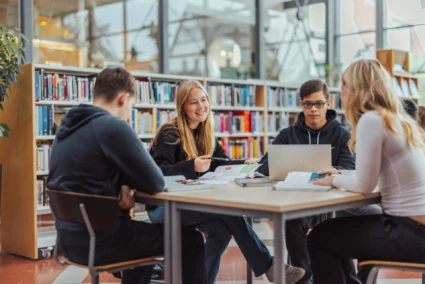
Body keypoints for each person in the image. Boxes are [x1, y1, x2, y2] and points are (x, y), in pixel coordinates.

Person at [46, 68, 206, 284]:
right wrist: (128, 182)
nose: (130, 112)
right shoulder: (112, 126)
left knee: (141, 241)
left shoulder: (67, 127)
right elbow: (155, 182)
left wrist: (123, 182)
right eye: (132, 106)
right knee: (192, 239)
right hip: (103, 242)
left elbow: (94, 169)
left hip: (68, 240)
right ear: (123, 99)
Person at [148, 80, 305, 284]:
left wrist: (245, 163)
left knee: (220, 231)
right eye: (193, 102)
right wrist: (191, 166)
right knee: (228, 211)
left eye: (203, 100)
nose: (201, 106)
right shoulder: (170, 133)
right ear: (182, 107)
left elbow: (221, 163)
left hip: (189, 203)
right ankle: (268, 266)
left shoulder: (206, 133)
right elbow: (157, 172)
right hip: (164, 207)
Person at [309, 59, 425, 284]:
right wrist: (342, 175)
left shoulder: (372, 121)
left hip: (410, 232)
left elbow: (365, 186)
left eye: (343, 86)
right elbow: (378, 178)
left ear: (355, 88)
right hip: (417, 226)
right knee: (331, 232)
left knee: (319, 238)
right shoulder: (397, 120)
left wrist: (333, 180)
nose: (341, 92)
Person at [257, 79, 381, 284]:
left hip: (337, 202)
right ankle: (303, 278)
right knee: (292, 221)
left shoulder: (342, 134)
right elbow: (263, 166)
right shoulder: (287, 135)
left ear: (328, 103)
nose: (313, 109)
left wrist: (337, 172)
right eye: (308, 104)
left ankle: (358, 279)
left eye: (319, 103)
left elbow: (350, 168)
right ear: (301, 104)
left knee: (374, 215)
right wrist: (283, 169)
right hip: (302, 203)